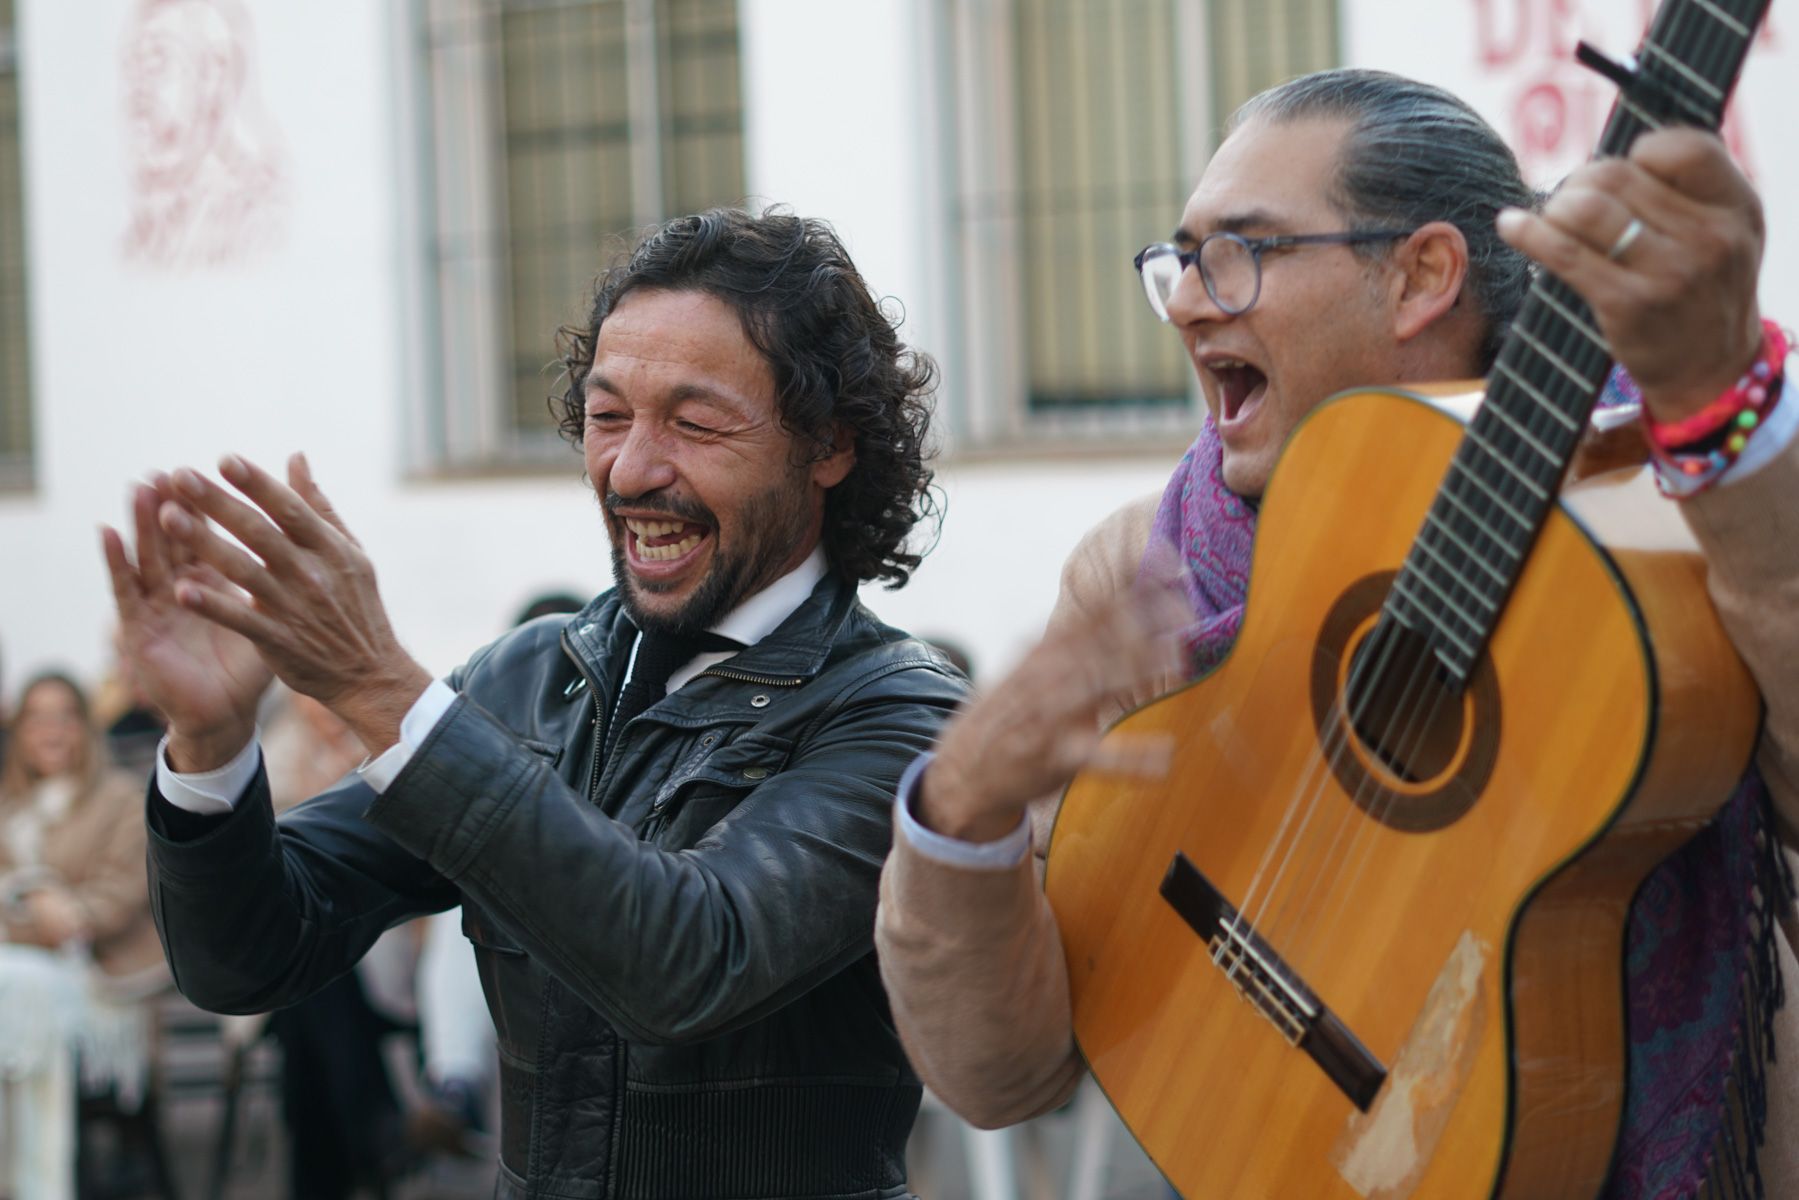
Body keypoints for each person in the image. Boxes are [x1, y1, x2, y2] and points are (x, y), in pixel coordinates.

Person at [876, 69, 1799, 1199]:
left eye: (1244, 251)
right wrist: (960, 816)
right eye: (1180, 258)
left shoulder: (1663, 524)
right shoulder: (1147, 578)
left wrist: (1723, 422)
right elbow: (1000, 1077)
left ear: (1418, 275)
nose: (1185, 300)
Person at [102, 207, 966, 1199]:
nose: (632, 470)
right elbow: (246, 960)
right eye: (606, 416)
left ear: (828, 445)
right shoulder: (525, 677)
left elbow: (686, 960)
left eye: (693, 422)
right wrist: (209, 743)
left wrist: (384, 690)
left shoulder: (902, 718)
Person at [0, 672, 164, 1200]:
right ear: (20, 730)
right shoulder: (7, 809)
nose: (51, 730)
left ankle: (37, 1182)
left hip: (101, 983)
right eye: (37, 717)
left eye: (65, 716)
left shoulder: (120, 801)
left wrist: (29, 901)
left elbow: (108, 906)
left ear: (84, 728)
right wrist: (37, 898)